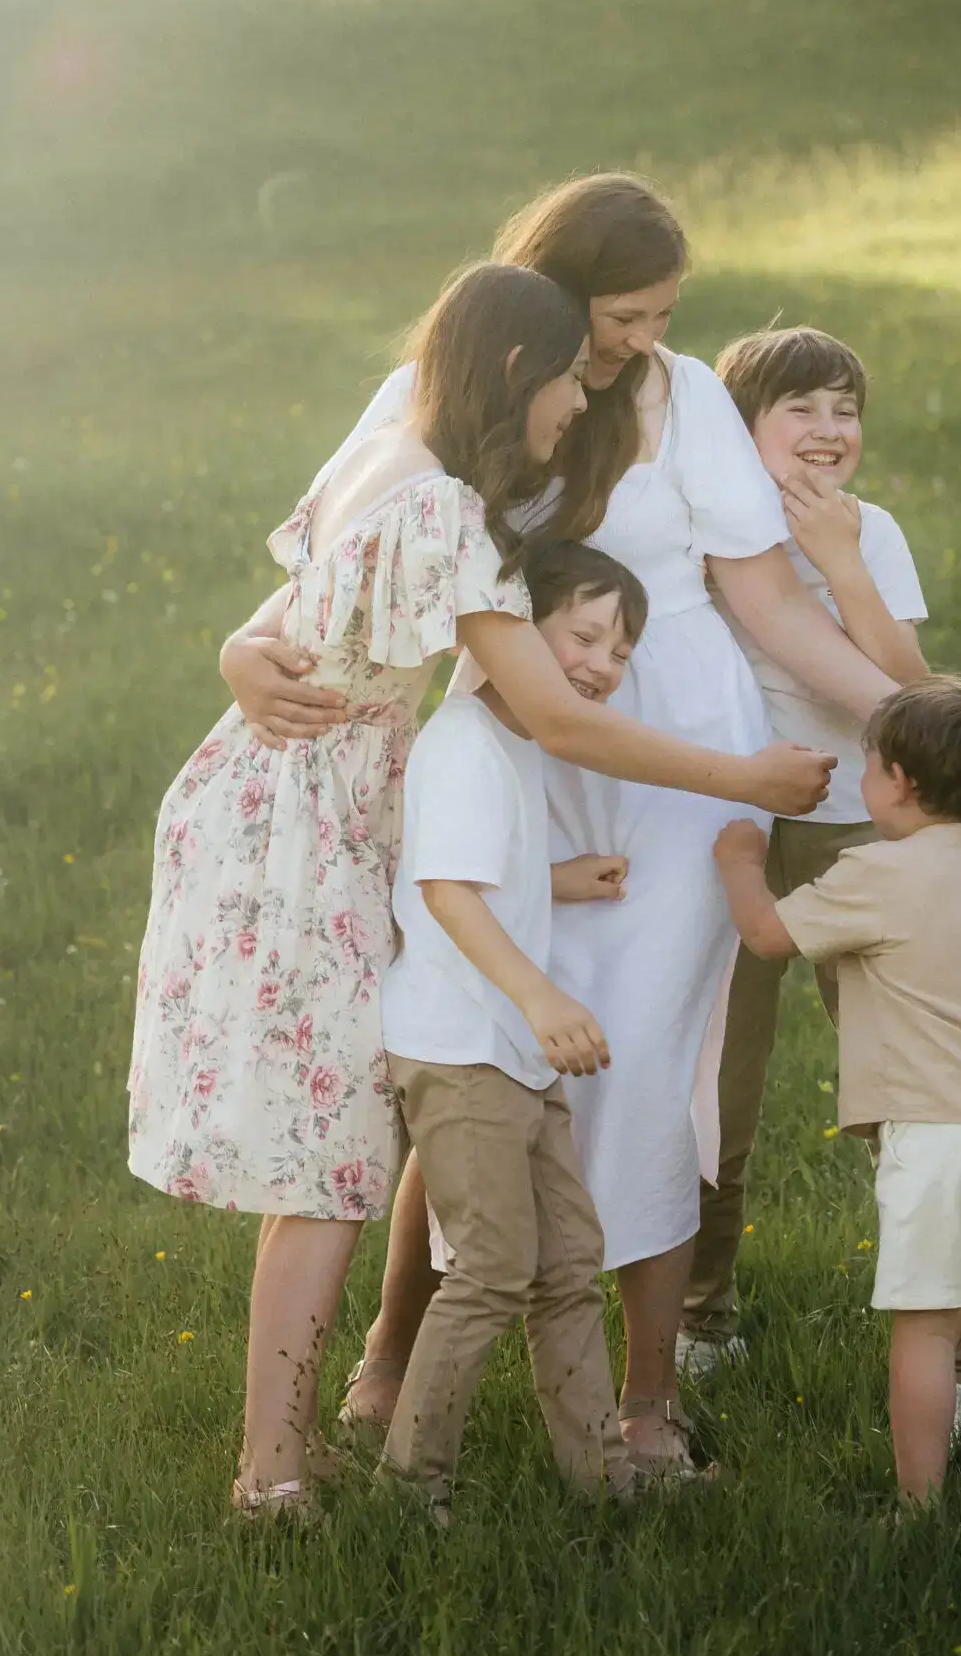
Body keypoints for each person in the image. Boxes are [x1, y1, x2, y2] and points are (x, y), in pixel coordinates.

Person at [131, 261, 831, 1518]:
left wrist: (241, 647)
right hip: (312, 821)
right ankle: (274, 1475)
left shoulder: (388, 456)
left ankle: (291, 1455)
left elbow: (290, 604)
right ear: (519, 370)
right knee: (328, 1162)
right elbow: (559, 713)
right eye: (572, 374)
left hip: (281, 796)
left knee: (328, 1157)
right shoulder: (448, 509)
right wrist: (747, 774)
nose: (582, 404)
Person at [714, 670, 961, 1505]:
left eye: (866, 766)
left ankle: (919, 1511)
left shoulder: (876, 872)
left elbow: (766, 935)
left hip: (939, 1132)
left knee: (921, 1325)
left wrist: (739, 859)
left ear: (900, 784)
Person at [380, 542, 653, 1516]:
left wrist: (558, 884)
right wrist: (541, 996)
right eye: (584, 633)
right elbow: (444, 891)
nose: (601, 663)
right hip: (462, 1049)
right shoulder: (462, 744)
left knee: (570, 1260)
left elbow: (480, 881)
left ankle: (604, 1480)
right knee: (494, 1265)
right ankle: (410, 1490)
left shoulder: (516, 745)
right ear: (510, 628)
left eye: (620, 650)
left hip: (508, 1047)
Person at [681, 325, 929, 1374]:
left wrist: (842, 564)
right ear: (741, 432)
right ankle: (701, 1313)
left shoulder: (873, 533)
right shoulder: (705, 532)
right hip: (734, 823)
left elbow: (907, 675)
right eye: (802, 410)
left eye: (846, 409)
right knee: (719, 1077)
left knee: (899, 1066)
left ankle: (942, 1309)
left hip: (850, 824)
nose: (830, 431)